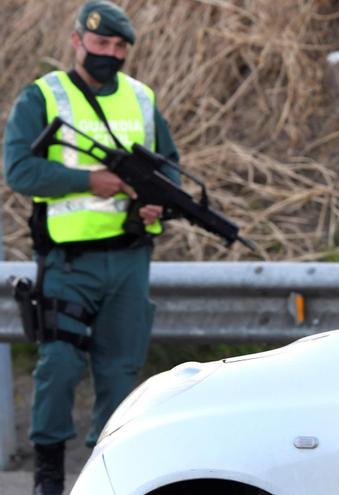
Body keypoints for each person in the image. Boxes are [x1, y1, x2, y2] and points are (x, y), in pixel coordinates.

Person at [2, 2, 180, 493]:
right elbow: (19, 170)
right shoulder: (42, 96)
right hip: (68, 261)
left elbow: (169, 169)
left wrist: (155, 204)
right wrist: (89, 181)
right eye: (101, 44)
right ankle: (48, 478)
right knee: (58, 367)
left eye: (120, 47)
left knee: (120, 375)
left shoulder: (141, 98)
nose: (110, 54)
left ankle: (111, 478)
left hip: (129, 259)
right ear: (77, 41)